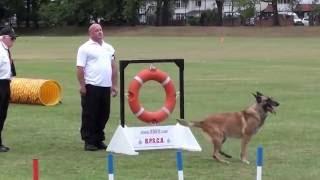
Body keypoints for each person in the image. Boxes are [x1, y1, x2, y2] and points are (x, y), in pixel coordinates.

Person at [76, 23, 118, 151]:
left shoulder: (109, 48)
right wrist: (82, 85)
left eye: (100, 30)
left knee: (104, 114)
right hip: (92, 85)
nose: (99, 32)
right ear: (91, 33)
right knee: (90, 114)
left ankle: (99, 139)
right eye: (96, 30)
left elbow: (113, 66)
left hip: (106, 86)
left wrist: (114, 85)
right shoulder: (84, 48)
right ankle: (89, 140)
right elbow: (80, 68)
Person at [0, 27, 17, 152]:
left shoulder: (5, 50)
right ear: (4, 37)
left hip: (6, 83)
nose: (14, 41)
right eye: (12, 38)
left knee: (2, 114)